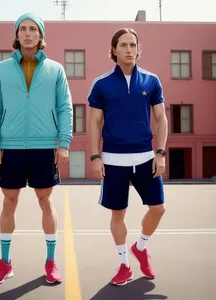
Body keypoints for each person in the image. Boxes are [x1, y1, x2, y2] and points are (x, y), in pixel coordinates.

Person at [0, 12, 73, 285]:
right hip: (10, 146)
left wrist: (63, 143)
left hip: (44, 145)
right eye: (22, 29)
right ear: (16, 35)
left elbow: (64, 107)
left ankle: (50, 262)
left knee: (45, 201)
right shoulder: (1, 69)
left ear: (41, 36)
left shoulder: (55, 69)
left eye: (33, 29)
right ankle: (5, 263)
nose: (27, 33)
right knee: (8, 201)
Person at [88, 28, 168, 286]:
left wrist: (160, 152)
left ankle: (141, 248)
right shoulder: (101, 84)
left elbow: (160, 117)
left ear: (138, 49)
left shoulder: (151, 81)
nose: (129, 49)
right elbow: (94, 122)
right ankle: (124, 265)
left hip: (146, 158)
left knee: (158, 209)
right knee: (118, 214)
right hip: (113, 161)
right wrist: (95, 157)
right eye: (123, 45)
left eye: (133, 45)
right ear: (113, 50)